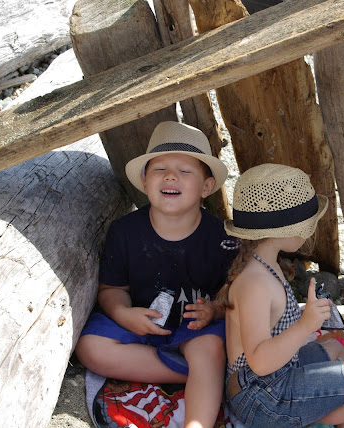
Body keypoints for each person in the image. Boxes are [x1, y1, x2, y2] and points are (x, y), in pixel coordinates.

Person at [75, 121, 238, 428]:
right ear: (145, 180)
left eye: (184, 171)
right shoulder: (124, 232)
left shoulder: (222, 238)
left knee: (210, 348)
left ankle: (197, 420)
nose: (170, 176)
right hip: (141, 324)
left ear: (206, 187)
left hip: (195, 330)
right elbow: (112, 288)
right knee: (89, 348)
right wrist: (123, 314)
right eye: (159, 168)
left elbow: (234, 292)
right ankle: (200, 375)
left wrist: (215, 310)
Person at [217, 163, 344, 428]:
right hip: (261, 401)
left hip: (274, 378)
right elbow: (259, 362)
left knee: (334, 348)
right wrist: (305, 325)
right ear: (287, 229)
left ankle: (343, 416)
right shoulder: (255, 284)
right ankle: (342, 420)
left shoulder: (264, 264)